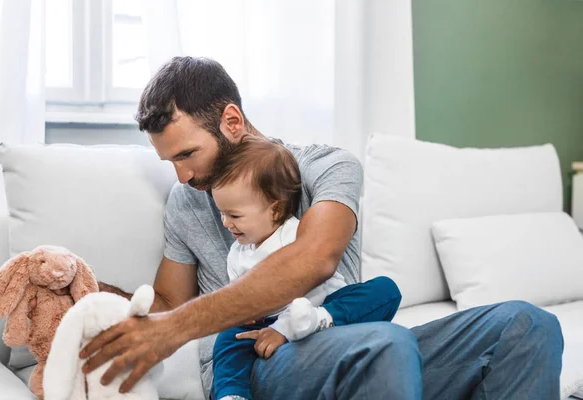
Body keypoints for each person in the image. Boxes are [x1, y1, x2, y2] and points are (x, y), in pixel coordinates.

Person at [29, 56, 562, 399]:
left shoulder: (329, 166)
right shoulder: (185, 202)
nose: (183, 175)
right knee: (385, 346)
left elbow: (315, 259)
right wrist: (86, 285)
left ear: (232, 122)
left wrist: (173, 330)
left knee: (527, 325)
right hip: (261, 356)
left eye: (187, 153)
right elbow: (169, 301)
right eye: (170, 161)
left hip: (344, 337)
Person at [209, 135, 402, 400]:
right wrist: (243, 315)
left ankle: (319, 321)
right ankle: (232, 395)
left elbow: (312, 280)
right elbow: (238, 295)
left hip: (321, 306)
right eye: (222, 213)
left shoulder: (296, 234)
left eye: (234, 215)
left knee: (385, 290)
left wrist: (287, 328)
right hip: (270, 321)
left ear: (275, 210)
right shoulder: (237, 253)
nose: (225, 223)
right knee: (228, 339)